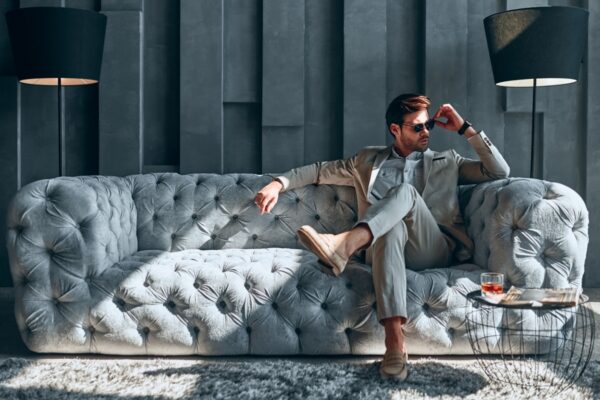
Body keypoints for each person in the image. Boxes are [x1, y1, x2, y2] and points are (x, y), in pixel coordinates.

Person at [254, 93, 510, 380]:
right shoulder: (367, 161)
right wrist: (277, 184)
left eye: (429, 126)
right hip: (382, 248)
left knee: (404, 193)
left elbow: (498, 170)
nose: (425, 132)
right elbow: (318, 171)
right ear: (395, 130)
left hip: (432, 247)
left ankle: (344, 244)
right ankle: (394, 343)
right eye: (417, 127)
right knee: (391, 228)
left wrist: (465, 129)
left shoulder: (447, 161)